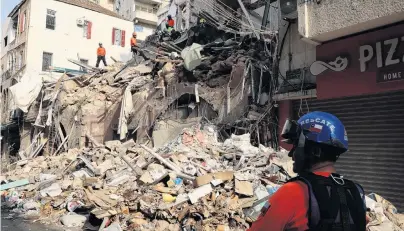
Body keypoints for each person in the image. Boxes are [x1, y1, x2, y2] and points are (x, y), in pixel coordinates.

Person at [249, 111, 367, 231]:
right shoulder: (356, 191)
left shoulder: (293, 191)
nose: (291, 154)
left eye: (296, 146)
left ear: (314, 151)